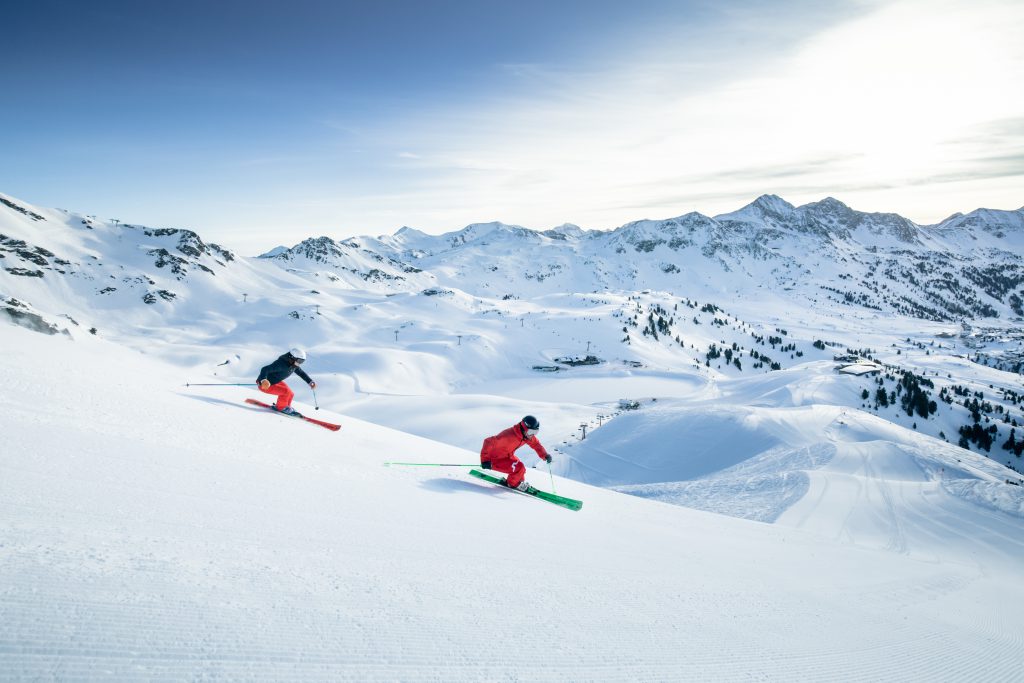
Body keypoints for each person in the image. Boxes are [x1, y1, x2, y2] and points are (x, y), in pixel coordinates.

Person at [480, 415, 552, 492]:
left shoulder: (526, 436)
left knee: (521, 471)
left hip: (507, 456)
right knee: (519, 468)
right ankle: (512, 484)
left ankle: (518, 483)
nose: (532, 435)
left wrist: (545, 455)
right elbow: (488, 441)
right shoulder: (508, 435)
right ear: (524, 428)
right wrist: (485, 460)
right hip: (494, 459)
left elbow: (536, 444)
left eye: (535, 432)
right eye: (531, 432)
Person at [257, 347, 316, 417]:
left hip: (275, 381)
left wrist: (310, 381)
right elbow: (265, 369)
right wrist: (264, 380)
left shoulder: (293, 365)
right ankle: (281, 407)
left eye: (302, 361)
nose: (299, 363)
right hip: (265, 385)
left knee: (291, 393)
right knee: (286, 392)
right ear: (292, 357)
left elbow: (301, 373)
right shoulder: (281, 364)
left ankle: (286, 406)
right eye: (299, 361)